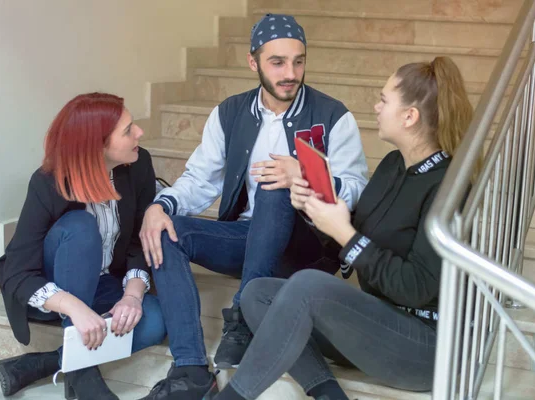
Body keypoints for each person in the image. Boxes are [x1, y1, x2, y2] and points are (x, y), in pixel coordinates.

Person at [207, 56, 474, 400]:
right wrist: (315, 212)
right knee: (259, 294)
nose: (375, 107)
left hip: (425, 347)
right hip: (378, 325)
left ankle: (233, 396)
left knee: (306, 285)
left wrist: (346, 233)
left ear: (410, 117)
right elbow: (352, 246)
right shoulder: (394, 165)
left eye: (383, 99)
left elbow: (415, 286)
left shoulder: (448, 187)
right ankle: (328, 394)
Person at [138, 13, 368, 400]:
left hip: (304, 246)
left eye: (298, 61)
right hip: (247, 238)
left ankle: (244, 315)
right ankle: (191, 366)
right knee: (166, 229)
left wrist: (303, 175)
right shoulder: (229, 113)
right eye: (277, 62)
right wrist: (161, 205)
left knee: (276, 183)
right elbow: (200, 179)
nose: (290, 72)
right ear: (253, 62)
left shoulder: (333, 116)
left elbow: (357, 188)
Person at [0, 93, 167, 400]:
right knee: (80, 227)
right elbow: (16, 272)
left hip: (103, 284)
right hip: (55, 291)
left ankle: (47, 363)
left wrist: (132, 295)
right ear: (97, 145)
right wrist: (75, 308)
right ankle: (84, 380)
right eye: (128, 130)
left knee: (154, 320)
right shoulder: (48, 182)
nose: (139, 132)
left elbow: (139, 239)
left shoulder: (138, 165)